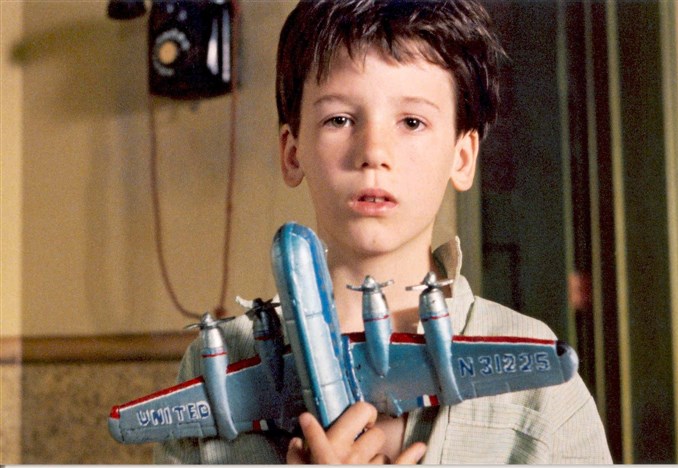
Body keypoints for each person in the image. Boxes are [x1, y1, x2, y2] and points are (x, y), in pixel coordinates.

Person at [155, 0, 613, 463]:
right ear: (293, 153)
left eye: (412, 122)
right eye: (339, 120)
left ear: (462, 157)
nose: (373, 152)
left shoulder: (541, 385)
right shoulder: (217, 361)